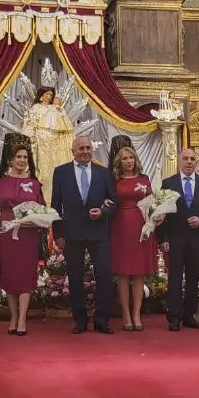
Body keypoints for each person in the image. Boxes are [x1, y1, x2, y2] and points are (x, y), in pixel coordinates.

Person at [51, 136, 117, 334]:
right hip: (72, 233)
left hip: (99, 233)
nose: (85, 151)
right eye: (81, 148)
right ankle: (80, 320)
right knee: (75, 277)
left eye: (88, 148)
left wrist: (103, 212)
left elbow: (113, 202)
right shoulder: (61, 172)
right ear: (73, 151)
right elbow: (56, 206)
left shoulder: (104, 173)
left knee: (104, 276)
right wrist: (58, 233)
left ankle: (101, 320)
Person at [157, 148, 199, 332]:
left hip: (196, 238)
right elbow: (160, 212)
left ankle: (189, 315)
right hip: (175, 238)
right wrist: (163, 238)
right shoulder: (169, 183)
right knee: (175, 278)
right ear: (179, 161)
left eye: (192, 159)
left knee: (193, 278)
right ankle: (173, 317)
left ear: (196, 162)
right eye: (186, 159)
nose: (189, 162)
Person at [0, 139, 44, 336]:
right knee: (9, 275)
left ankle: (22, 318)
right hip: (6, 232)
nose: (22, 160)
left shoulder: (34, 184)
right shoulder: (1, 183)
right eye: (18, 157)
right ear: (11, 160)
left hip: (28, 234)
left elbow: (43, 209)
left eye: (25, 157)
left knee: (25, 275)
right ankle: (13, 316)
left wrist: (37, 221)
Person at [110, 145, 157, 331]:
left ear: (135, 159)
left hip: (141, 226)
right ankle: (126, 315)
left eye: (131, 157)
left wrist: (157, 216)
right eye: (124, 158)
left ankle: (137, 315)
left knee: (138, 272)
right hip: (120, 227)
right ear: (119, 162)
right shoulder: (114, 180)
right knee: (123, 273)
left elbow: (152, 203)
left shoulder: (144, 179)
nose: (129, 161)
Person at [22, 86, 75, 205]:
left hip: (55, 145)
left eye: (51, 95)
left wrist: (59, 109)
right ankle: (42, 200)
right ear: (41, 95)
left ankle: (57, 200)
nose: (49, 97)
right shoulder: (36, 108)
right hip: (41, 143)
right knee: (43, 173)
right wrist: (31, 137)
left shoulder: (54, 108)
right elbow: (30, 124)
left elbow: (64, 123)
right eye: (47, 94)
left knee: (54, 172)